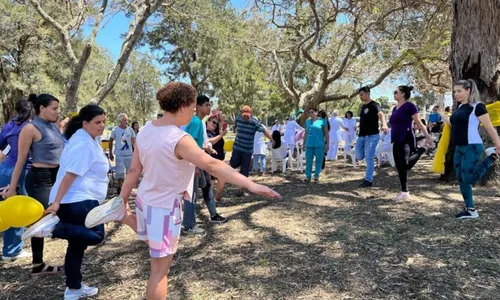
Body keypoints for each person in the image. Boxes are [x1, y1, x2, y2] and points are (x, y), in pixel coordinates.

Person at [83, 82, 281, 300]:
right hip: (165, 207)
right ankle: (122, 214)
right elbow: (212, 165)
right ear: (185, 105)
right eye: (194, 107)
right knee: (159, 271)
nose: (195, 112)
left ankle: (123, 214)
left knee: (154, 245)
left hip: (145, 199)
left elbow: (134, 169)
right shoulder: (179, 138)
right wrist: (252, 185)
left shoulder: (147, 129)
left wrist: (122, 198)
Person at [21, 105, 108, 299]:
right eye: (97, 122)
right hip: (78, 200)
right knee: (96, 235)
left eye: (103, 121)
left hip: (80, 198)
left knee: (77, 245)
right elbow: (69, 176)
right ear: (85, 123)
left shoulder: (85, 139)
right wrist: (56, 203)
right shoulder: (83, 144)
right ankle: (55, 229)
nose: (102, 126)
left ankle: (73, 288)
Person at [5, 93, 64, 275]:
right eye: (54, 108)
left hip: (57, 176)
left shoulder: (54, 126)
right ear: (41, 108)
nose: (57, 112)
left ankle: (44, 263)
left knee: (57, 215)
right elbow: (21, 159)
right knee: (43, 219)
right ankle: (37, 263)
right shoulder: (30, 128)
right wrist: (13, 187)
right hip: (40, 178)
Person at [437, 79, 500, 219]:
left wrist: (498, 143)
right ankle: (471, 210)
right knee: (461, 179)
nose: (456, 94)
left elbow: (489, 127)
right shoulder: (460, 108)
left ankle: (491, 157)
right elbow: (453, 124)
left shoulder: (478, 107)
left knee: (469, 178)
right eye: (454, 91)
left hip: (472, 146)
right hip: (459, 147)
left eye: (459, 91)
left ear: (468, 90)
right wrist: (442, 114)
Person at [182, 95, 227, 233]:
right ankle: (188, 225)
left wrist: (208, 147)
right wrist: (194, 166)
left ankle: (213, 215)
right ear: (199, 107)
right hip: (193, 163)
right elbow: (190, 145)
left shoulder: (199, 122)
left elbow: (201, 142)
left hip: (200, 161)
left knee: (207, 186)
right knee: (192, 194)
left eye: (209, 105)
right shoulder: (195, 122)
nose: (209, 108)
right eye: (207, 105)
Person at [1, 99, 33, 260]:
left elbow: (1, 148)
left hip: (4, 169)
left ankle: (10, 248)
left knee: (5, 209)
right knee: (17, 209)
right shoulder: (30, 127)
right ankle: (12, 250)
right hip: (20, 171)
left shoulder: (7, 126)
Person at [390, 86, 434, 200]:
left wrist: (427, 136)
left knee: (406, 165)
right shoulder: (395, 108)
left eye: (396, 92)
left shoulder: (410, 106)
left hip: (406, 138)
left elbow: (418, 122)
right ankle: (404, 191)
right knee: (399, 166)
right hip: (396, 139)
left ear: (403, 94)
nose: (394, 94)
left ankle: (423, 148)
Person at [220, 105, 273, 197]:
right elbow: (233, 126)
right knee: (233, 164)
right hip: (237, 147)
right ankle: (235, 173)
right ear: (241, 114)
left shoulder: (254, 122)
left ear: (250, 114)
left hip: (247, 150)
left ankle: (242, 189)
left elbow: (264, 130)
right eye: (244, 114)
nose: (245, 117)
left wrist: (272, 139)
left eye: (247, 115)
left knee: (244, 170)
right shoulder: (238, 119)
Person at [355, 86, 389, 187]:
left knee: (369, 158)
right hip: (361, 136)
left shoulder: (375, 104)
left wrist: (384, 124)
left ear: (368, 93)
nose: (360, 97)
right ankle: (370, 155)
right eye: (360, 95)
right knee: (358, 155)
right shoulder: (363, 106)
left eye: (362, 95)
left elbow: (381, 114)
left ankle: (368, 180)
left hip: (372, 136)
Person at [109, 113, 136, 195]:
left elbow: (134, 141)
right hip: (119, 155)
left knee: (130, 172)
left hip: (129, 154)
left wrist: (136, 152)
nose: (126, 121)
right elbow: (110, 141)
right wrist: (110, 153)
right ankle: (120, 187)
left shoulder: (130, 130)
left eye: (127, 120)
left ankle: (127, 187)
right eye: (124, 120)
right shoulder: (115, 130)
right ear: (120, 121)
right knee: (120, 173)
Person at [303, 108, 329, 182]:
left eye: (312, 112)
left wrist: (327, 144)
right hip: (309, 144)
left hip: (319, 144)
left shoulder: (322, 121)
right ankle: (308, 176)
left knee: (319, 161)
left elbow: (326, 133)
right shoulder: (308, 122)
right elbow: (306, 133)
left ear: (316, 112)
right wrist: (304, 143)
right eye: (309, 112)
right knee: (308, 161)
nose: (310, 113)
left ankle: (316, 176)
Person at [205, 113, 227, 201]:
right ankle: (206, 200)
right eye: (213, 122)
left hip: (220, 159)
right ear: (207, 122)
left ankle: (218, 194)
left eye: (216, 123)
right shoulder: (205, 132)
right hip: (210, 160)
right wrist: (221, 136)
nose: (215, 124)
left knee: (222, 178)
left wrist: (219, 113)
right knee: (211, 182)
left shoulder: (217, 131)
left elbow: (222, 121)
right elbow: (209, 141)